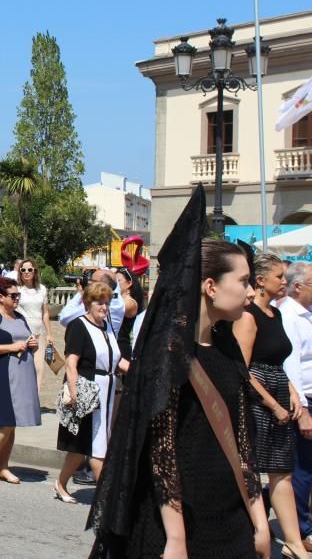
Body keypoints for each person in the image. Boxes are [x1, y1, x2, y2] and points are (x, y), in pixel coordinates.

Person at [89, 186, 271, 558]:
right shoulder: (168, 355)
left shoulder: (227, 346)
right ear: (209, 286)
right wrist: (175, 537)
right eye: (243, 281)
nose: (250, 292)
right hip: (176, 522)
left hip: (230, 517)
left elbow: (241, 439)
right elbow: (162, 447)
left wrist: (259, 518)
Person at [234, 252, 308, 558]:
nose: (284, 281)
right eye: (279, 276)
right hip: (257, 403)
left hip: (278, 394)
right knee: (251, 471)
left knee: (282, 472)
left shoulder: (274, 315)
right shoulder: (248, 316)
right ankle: (253, 533)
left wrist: (290, 391)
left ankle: (293, 542)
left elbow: (278, 361)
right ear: (261, 281)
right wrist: (271, 404)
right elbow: (243, 370)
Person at [54, 282, 125, 504]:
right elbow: (71, 362)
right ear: (87, 303)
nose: (104, 307)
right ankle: (108, 498)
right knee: (95, 446)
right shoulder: (78, 326)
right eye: (99, 302)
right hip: (88, 392)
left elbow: (117, 359)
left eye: (106, 302)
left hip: (108, 389)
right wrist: (74, 392)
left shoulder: (107, 327)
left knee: (82, 448)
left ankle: (61, 483)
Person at [0, 277, 41, 485]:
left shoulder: (19, 317)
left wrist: (32, 344)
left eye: (18, 295)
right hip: (2, 373)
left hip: (22, 373)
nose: (16, 299)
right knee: (5, 421)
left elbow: (24, 340)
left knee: (13, 423)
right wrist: (12, 347)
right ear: (0, 297)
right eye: (13, 296)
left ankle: (4, 466)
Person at [280, 262, 312, 551]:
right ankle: (301, 529)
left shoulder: (306, 314)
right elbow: (291, 366)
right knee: (303, 468)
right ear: (298, 286)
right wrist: (302, 410)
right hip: (304, 400)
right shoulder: (289, 316)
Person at [15, 259, 53, 391]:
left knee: (38, 367)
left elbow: (45, 312)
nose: (26, 272)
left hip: (38, 333)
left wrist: (49, 333)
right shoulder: (17, 289)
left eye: (29, 269)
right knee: (22, 366)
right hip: (22, 333)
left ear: (34, 271)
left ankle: (35, 399)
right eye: (23, 270)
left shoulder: (41, 289)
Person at [115, 268, 145, 361]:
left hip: (121, 349)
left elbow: (116, 306)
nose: (115, 283)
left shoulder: (131, 303)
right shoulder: (116, 299)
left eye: (118, 281)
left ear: (129, 283)